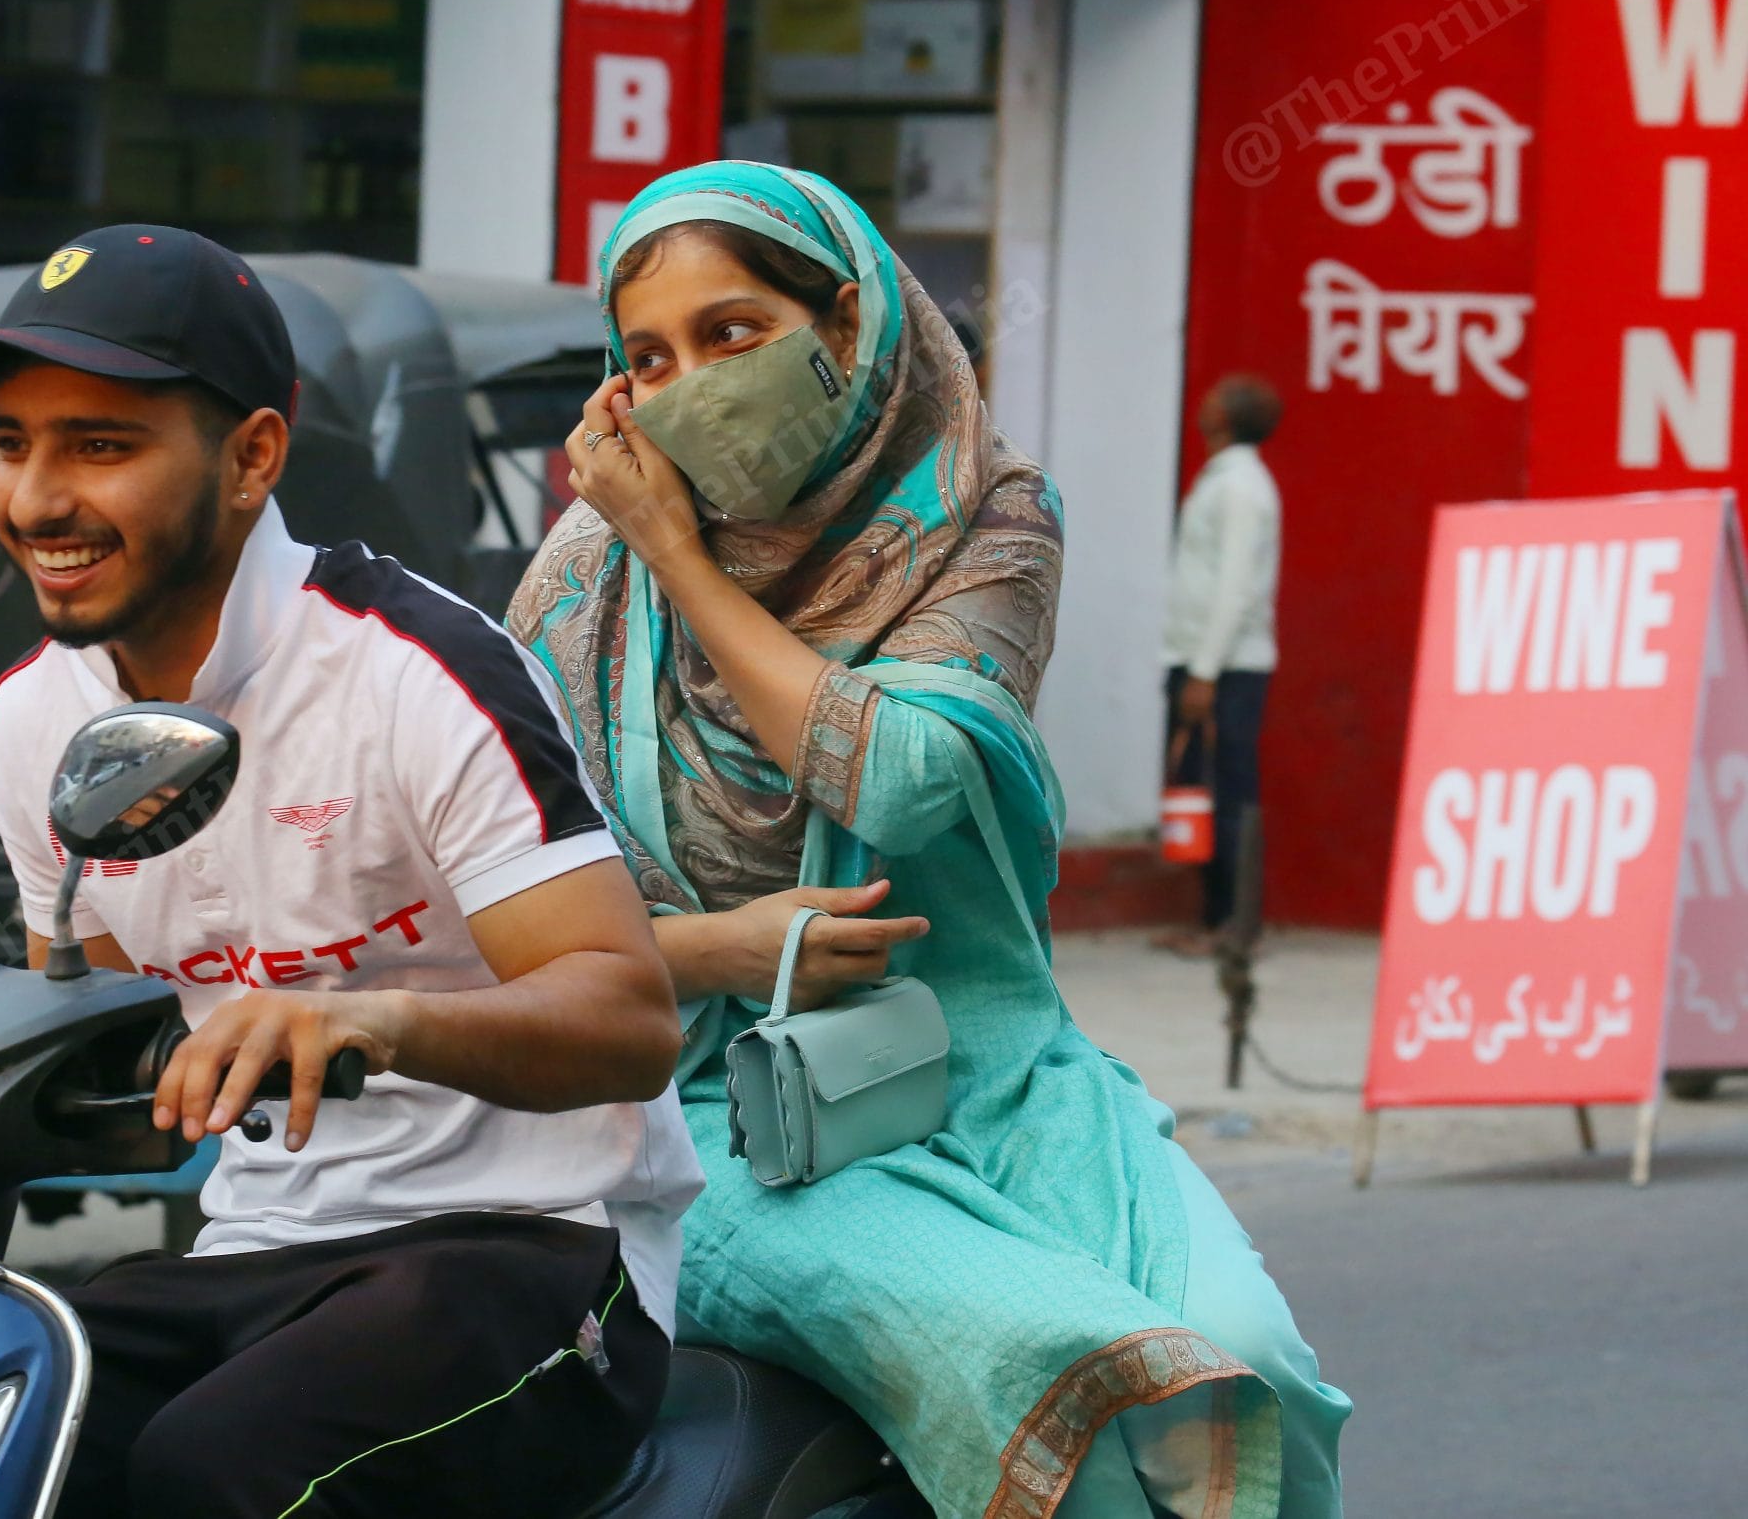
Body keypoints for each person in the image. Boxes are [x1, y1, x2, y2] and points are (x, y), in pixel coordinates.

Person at [507, 164, 1348, 1519]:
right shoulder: (581, 589)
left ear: (845, 323)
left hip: (997, 1073)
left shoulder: (986, 518)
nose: (689, 385)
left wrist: (684, 561)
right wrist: (724, 945)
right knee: (1069, 1364)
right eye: (647, 358)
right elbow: (512, 926)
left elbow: (899, 777)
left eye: (732, 334)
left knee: (1236, 1363)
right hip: (718, 1120)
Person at [0, 224, 702, 1519]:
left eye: (100, 445)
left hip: (532, 1246)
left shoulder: (418, 672)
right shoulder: (33, 725)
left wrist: (373, 1019)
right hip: (262, 1241)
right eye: (14, 443)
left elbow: (628, 1018)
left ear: (252, 456)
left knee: (216, 1467)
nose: (37, 497)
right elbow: (121, 1034)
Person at [1159, 374, 1285, 957]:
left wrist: (1205, 671)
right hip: (1208, 661)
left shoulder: (1242, 488)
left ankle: (1234, 925)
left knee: (1227, 794)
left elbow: (1236, 588)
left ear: (1229, 416)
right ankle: (1214, 919)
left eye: (1217, 397)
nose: (1204, 401)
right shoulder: (1227, 481)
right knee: (1203, 794)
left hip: (1226, 668)